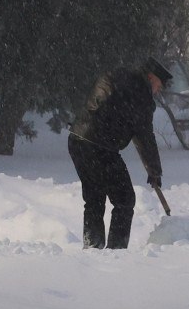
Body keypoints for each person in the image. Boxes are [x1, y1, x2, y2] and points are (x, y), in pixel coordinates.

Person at [68, 57, 171, 249]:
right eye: (159, 85)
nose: (158, 90)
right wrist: (154, 170)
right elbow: (144, 136)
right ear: (151, 77)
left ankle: (93, 247)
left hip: (78, 139)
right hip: (100, 148)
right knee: (125, 199)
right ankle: (117, 252)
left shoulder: (118, 75)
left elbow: (97, 103)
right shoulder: (141, 94)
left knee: (94, 198)